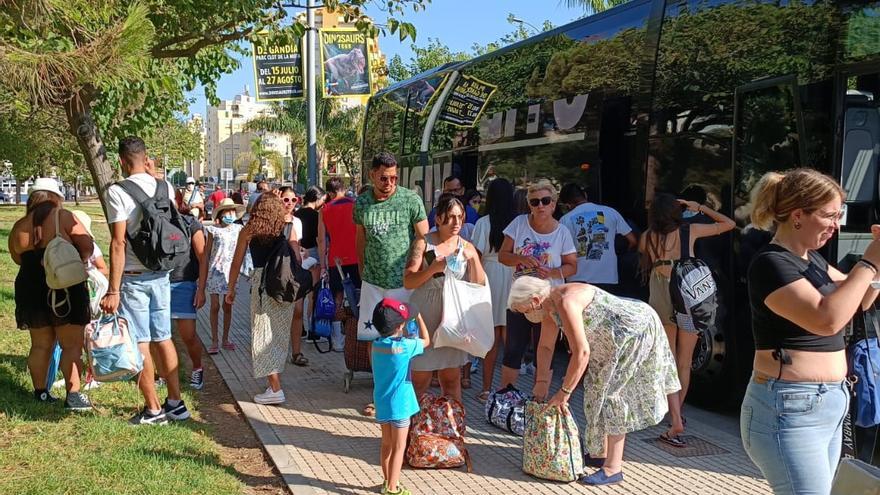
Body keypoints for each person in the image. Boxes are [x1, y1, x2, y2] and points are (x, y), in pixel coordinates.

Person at [742, 169, 880, 494]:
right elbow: (827, 319)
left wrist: (877, 264)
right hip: (788, 408)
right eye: (829, 216)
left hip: (825, 403)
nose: (836, 226)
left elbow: (858, 301)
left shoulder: (811, 260)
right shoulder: (771, 263)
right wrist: (868, 263)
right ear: (797, 215)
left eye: (838, 216)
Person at [509, 276, 682, 486]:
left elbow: (581, 352)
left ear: (535, 300)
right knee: (594, 390)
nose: (525, 316)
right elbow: (545, 347)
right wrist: (542, 381)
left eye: (525, 311)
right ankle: (599, 453)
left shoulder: (566, 301)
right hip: (610, 341)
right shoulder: (549, 307)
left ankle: (613, 468)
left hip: (634, 330)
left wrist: (564, 393)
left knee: (613, 396)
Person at [101, 137, 188, 425]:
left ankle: (153, 410)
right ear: (146, 157)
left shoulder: (118, 192)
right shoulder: (165, 186)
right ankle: (176, 403)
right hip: (162, 273)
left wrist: (113, 290)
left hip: (134, 277)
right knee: (163, 337)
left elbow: (118, 243)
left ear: (121, 161)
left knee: (140, 342)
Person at [639, 192, 734, 440]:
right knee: (684, 361)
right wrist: (699, 207)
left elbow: (644, 256)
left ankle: (671, 414)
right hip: (687, 292)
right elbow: (729, 224)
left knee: (668, 359)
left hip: (660, 293)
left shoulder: (647, 237)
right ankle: (678, 414)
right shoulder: (689, 230)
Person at [354, 151, 429, 416]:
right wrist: (362, 268)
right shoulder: (362, 203)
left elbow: (424, 236)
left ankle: (403, 393)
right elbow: (361, 237)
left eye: (394, 178)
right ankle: (380, 392)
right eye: (384, 178)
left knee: (404, 338)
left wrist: (417, 265)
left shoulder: (410, 199)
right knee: (373, 337)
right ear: (372, 175)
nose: (389, 183)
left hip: (402, 282)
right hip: (373, 281)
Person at [11, 178, 93, 410]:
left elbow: (16, 258)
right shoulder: (63, 217)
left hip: (30, 286)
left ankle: (40, 392)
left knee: (40, 345)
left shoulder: (19, 226)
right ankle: (73, 395)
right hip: (64, 285)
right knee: (71, 345)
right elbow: (87, 247)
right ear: (56, 197)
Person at [404, 195, 486, 403]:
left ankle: (453, 422)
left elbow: (478, 285)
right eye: (450, 217)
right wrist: (432, 269)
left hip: (452, 319)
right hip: (424, 317)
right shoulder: (423, 243)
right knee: (419, 379)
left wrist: (474, 260)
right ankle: (413, 423)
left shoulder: (466, 246)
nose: (456, 222)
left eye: (460, 217)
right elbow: (408, 281)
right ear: (438, 219)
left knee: (451, 379)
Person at [497, 180, 577, 390]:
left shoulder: (562, 232)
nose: (540, 205)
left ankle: (539, 398)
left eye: (545, 200)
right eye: (535, 202)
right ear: (529, 205)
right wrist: (521, 259)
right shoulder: (519, 224)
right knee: (513, 349)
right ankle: (506, 395)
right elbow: (503, 256)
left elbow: (572, 266)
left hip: (548, 300)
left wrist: (551, 272)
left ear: (553, 204)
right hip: (520, 298)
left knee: (545, 350)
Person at [226, 194, 295, 404]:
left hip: (262, 285)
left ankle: (275, 388)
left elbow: (236, 262)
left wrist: (231, 288)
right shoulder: (286, 226)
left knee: (262, 335)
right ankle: (273, 382)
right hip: (284, 285)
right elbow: (296, 256)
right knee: (278, 335)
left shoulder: (249, 230)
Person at [370, 298, 430, 495]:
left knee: (386, 444)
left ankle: (387, 481)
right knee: (399, 447)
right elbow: (427, 341)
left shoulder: (376, 345)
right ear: (400, 326)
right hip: (401, 405)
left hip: (382, 402)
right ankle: (393, 488)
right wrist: (419, 318)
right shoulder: (405, 347)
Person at [470, 178, 515, 401]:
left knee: (491, 337)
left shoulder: (483, 223)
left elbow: (475, 256)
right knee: (511, 336)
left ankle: (486, 389)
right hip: (514, 277)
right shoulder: (519, 222)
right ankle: (509, 389)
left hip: (489, 277)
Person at [559, 183, 637, 293]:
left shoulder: (565, 220)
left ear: (567, 205)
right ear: (585, 195)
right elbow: (633, 240)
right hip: (608, 277)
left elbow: (561, 252)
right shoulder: (611, 212)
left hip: (577, 279)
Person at [171, 200, 208, 390]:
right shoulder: (152, 220)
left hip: (183, 282)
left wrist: (201, 289)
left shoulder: (190, 223)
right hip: (158, 281)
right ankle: (163, 372)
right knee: (159, 336)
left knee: (188, 335)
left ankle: (197, 367)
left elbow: (203, 257)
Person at [204, 198, 245, 355]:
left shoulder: (239, 229)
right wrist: (203, 273)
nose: (230, 214)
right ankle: (214, 340)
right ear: (221, 213)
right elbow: (207, 252)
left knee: (228, 305)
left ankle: (225, 339)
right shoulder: (213, 230)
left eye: (232, 211)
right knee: (215, 306)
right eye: (227, 211)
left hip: (231, 272)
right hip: (215, 270)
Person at [318, 177, 361, 318]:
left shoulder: (324, 210)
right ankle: (357, 325)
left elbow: (321, 240)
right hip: (356, 256)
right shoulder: (356, 205)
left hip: (336, 259)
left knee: (337, 295)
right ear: (344, 189)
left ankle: (337, 329)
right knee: (359, 293)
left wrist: (322, 266)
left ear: (329, 193)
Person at [280, 187, 310, 367]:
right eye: (286, 199)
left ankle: (296, 352)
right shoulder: (273, 220)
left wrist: (300, 253)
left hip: (295, 268)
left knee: (298, 310)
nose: (290, 203)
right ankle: (277, 352)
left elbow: (297, 243)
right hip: (277, 270)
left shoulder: (297, 221)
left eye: (293, 200)